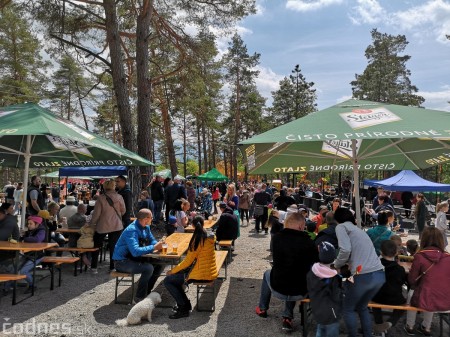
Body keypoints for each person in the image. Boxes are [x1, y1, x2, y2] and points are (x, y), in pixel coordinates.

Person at [255, 212, 318, 332]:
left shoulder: (277, 238)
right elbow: (315, 264)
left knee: (268, 273)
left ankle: (262, 308)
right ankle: (287, 316)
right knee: (297, 274)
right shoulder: (309, 242)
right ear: (300, 226)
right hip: (300, 290)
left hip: (278, 286)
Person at [333, 207, 385, 337]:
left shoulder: (341, 227)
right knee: (362, 307)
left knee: (348, 309)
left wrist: (336, 265)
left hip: (363, 275)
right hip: (379, 274)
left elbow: (345, 250)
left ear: (337, 219)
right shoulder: (358, 230)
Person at [164, 216, 218, 319]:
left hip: (201, 273)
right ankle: (185, 304)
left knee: (168, 280)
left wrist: (172, 271)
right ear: (203, 224)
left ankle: (183, 308)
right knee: (175, 279)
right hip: (209, 270)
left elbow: (187, 262)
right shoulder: (210, 236)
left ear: (192, 225)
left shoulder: (197, 239)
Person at [405, 227, 450, 336]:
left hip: (426, 295)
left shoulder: (419, 256)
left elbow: (412, 279)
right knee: (430, 292)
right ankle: (427, 327)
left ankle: (410, 326)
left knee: (413, 293)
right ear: (440, 240)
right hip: (445, 297)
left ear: (423, 239)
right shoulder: (448, 257)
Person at [113, 208, 164, 303]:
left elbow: (152, 239)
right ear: (145, 219)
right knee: (148, 268)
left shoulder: (146, 227)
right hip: (122, 262)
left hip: (134, 259)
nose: (152, 219)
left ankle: (147, 291)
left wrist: (156, 244)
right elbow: (135, 251)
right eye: (151, 217)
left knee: (160, 263)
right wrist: (154, 247)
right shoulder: (131, 230)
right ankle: (139, 298)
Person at [307, 241, 343, 337]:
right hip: (331, 313)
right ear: (333, 257)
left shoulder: (312, 271)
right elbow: (336, 296)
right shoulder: (334, 277)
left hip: (317, 308)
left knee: (321, 329)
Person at [371, 240, 407, 334]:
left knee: (375, 297)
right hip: (394, 299)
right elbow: (402, 282)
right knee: (403, 304)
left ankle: (379, 323)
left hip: (377, 297)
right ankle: (391, 322)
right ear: (396, 253)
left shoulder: (375, 266)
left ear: (381, 252)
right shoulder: (399, 269)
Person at [90, 179, 126, 273]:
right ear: (114, 186)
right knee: (113, 246)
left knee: (96, 245)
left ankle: (94, 267)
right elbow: (123, 211)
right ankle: (112, 267)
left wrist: (92, 224)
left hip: (103, 225)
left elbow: (96, 214)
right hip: (116, 225)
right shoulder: (119, 197)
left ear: (105, 187)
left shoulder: (101, 198)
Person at [20, 215, 47, 293]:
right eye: (28, 224)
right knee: (13, 268)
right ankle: (7, 287)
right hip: (28, 254)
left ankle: (33, 285)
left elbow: (37, 239)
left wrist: (23, 238)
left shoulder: (41, 231)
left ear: (37, 224)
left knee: (23, 271)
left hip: (37, 255)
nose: (28, 225)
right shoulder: (30, 231)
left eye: (30, 224)